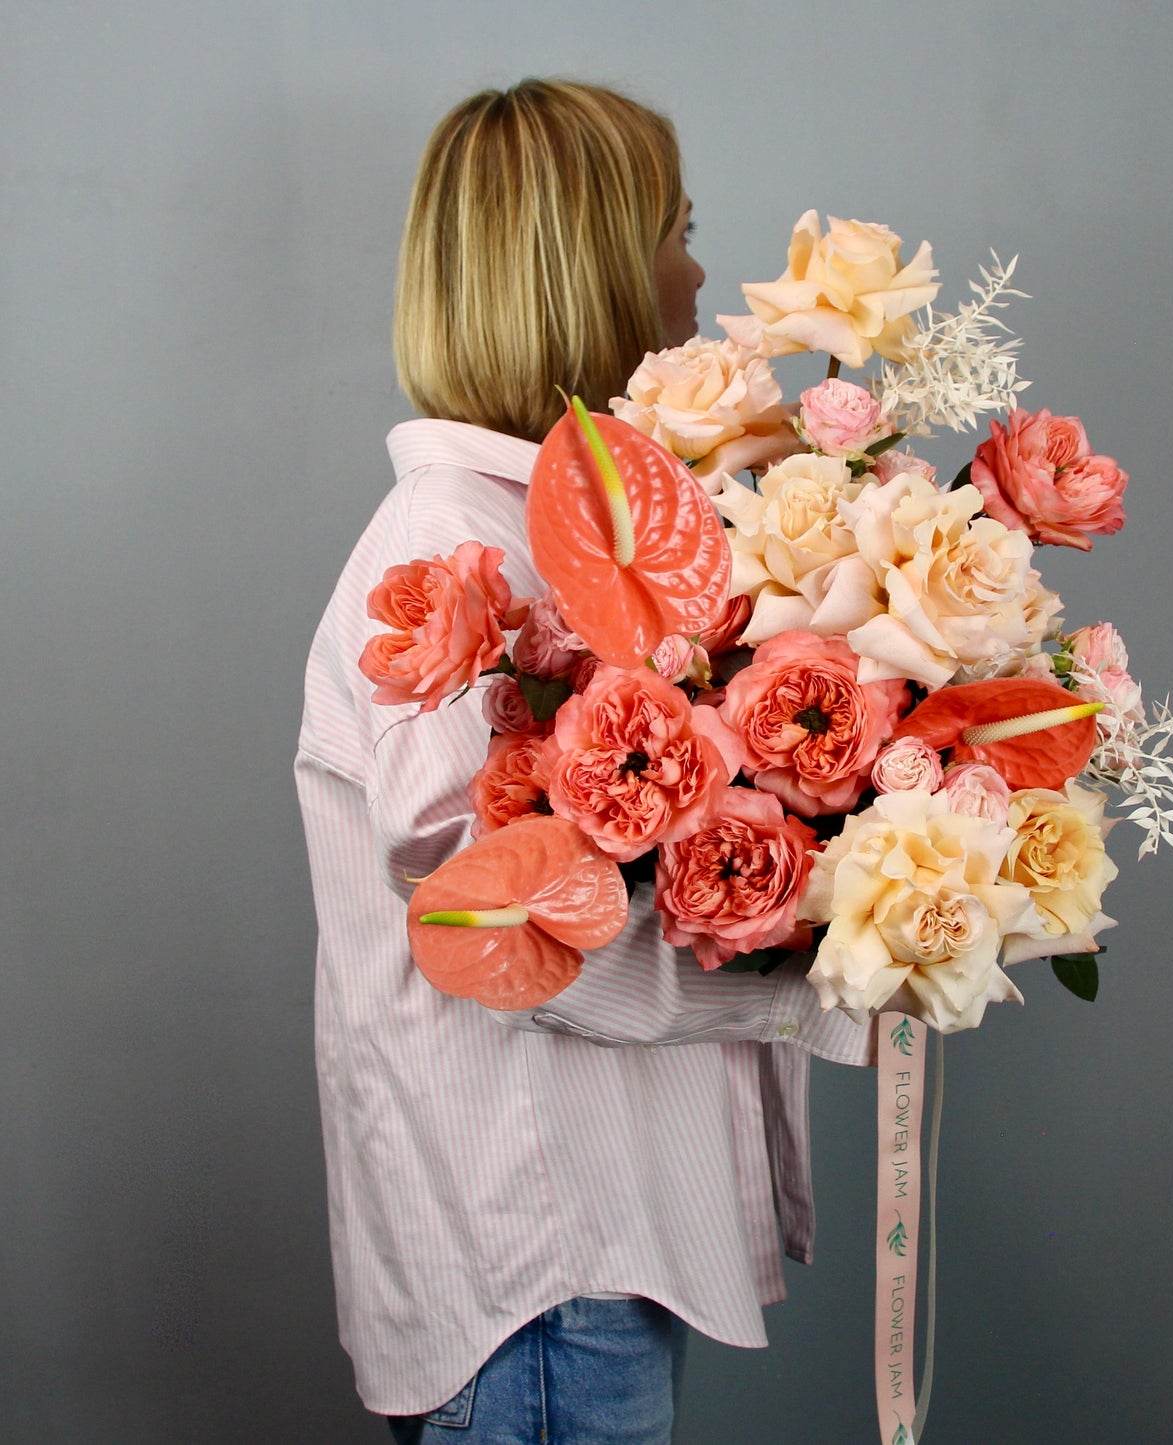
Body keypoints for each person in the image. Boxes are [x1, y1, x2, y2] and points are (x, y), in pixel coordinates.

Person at [295, 79, 870, 1445]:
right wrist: (824, 949)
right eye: (678, 227)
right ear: (600, 269)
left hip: (576, 1259)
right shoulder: (455, 560)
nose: (699, 268)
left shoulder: (564, 525)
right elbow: (505, 925)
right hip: (543, 1276)